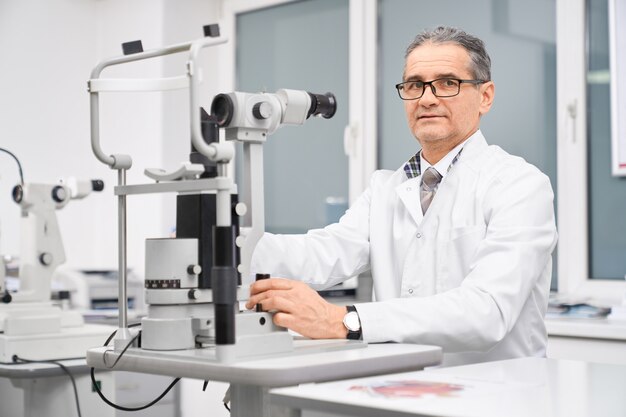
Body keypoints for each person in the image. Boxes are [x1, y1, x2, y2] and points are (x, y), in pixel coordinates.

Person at [245, 26, 558, 366]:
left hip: (495, 395)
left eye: (447, 83)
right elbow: (326, 251)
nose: (426, 98)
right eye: (414, 85)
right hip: (402, 388)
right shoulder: (386, 188)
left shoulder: (520, 185)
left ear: (485, 96)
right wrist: (224, 245)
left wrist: (346, 321)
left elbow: (487, 311)